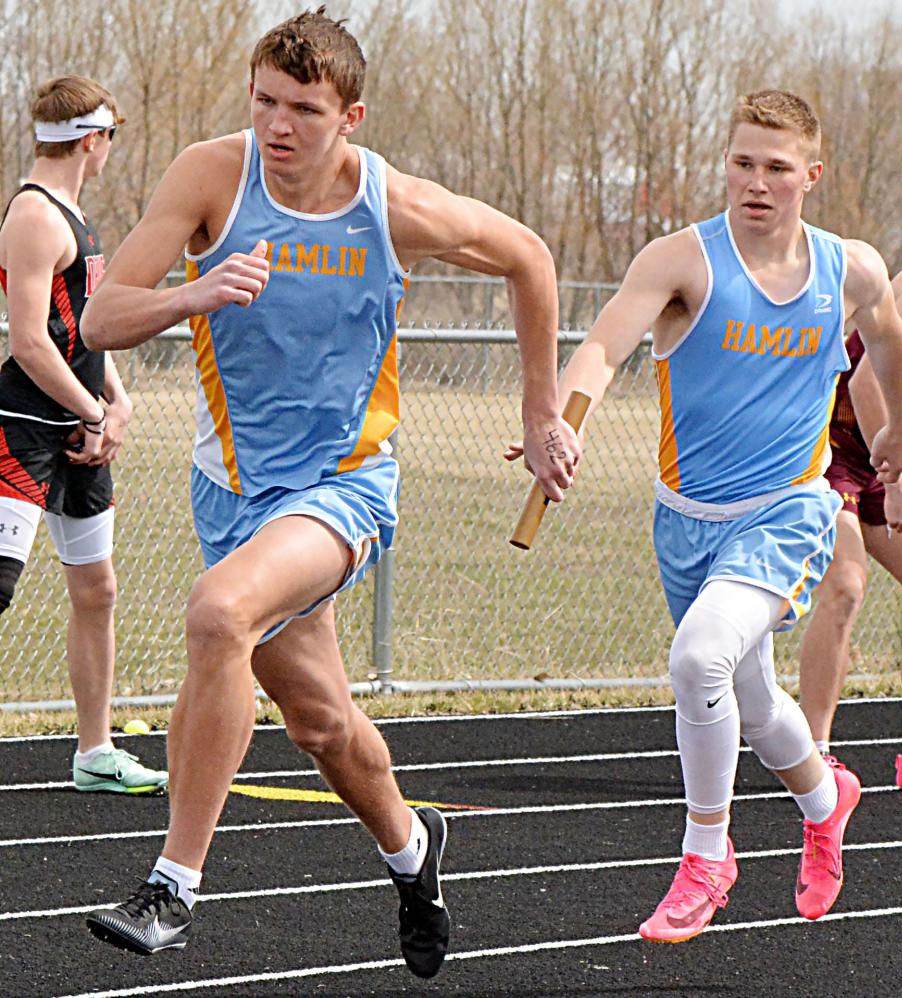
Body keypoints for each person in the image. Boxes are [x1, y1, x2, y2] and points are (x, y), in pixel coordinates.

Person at [81, 7, 580, 978]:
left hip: (344, 484)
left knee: (218, 615)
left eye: (303, 109)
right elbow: (101, 315)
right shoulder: (210, 176)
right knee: (320, 722)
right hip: (230, 490)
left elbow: (530, 255)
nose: (277, 125)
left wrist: (541, 407)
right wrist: (196, 291)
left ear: (351, 115)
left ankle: (173, 886)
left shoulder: (391, 204)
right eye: (264, 100)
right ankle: (412, 847)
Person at [509, 90, 902, 942]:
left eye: (775, 168)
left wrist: (896, 437)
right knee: (751, 693)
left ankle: (707, 856)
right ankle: (824, 794)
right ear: (724, 164)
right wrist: (555, 422)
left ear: (811, 175)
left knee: (697, 661)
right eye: (741, 163)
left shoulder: (853, 268)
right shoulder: (682, 259)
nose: (755, 183)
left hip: (789, 510)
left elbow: (888, 342)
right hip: (686, 519)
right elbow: (604, 346)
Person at [0, 76, 167, 795]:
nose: (109, 152)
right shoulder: (36, 215)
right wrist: (93, 413)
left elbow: (87, 328)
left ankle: (95, 752)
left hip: (79, 432)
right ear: (93, 140)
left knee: (96, 589)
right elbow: (32, 342)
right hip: (28, 428)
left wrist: (116, 400)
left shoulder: (74, 211)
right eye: (111, 139)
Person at [799, 244, 902, 791]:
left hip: (876, 448)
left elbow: (900, 377)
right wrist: (894, 483)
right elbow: (867, 381)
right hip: (825, 446)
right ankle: (813, 755)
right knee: (845, 585)